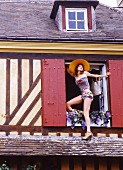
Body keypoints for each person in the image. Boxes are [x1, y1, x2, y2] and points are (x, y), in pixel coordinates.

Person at [66, 59, 111, 140]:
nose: (81, 68)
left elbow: (94, 75)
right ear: (77, 68)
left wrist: (104, 75)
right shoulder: (76, 76)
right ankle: (77, 113)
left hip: (88, 94)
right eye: (79, 66)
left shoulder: (85, 73)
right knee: (68, 104)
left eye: (82, 67)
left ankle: (89, 132)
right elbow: (69, 71)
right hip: (82, 95)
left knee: (86, 113)